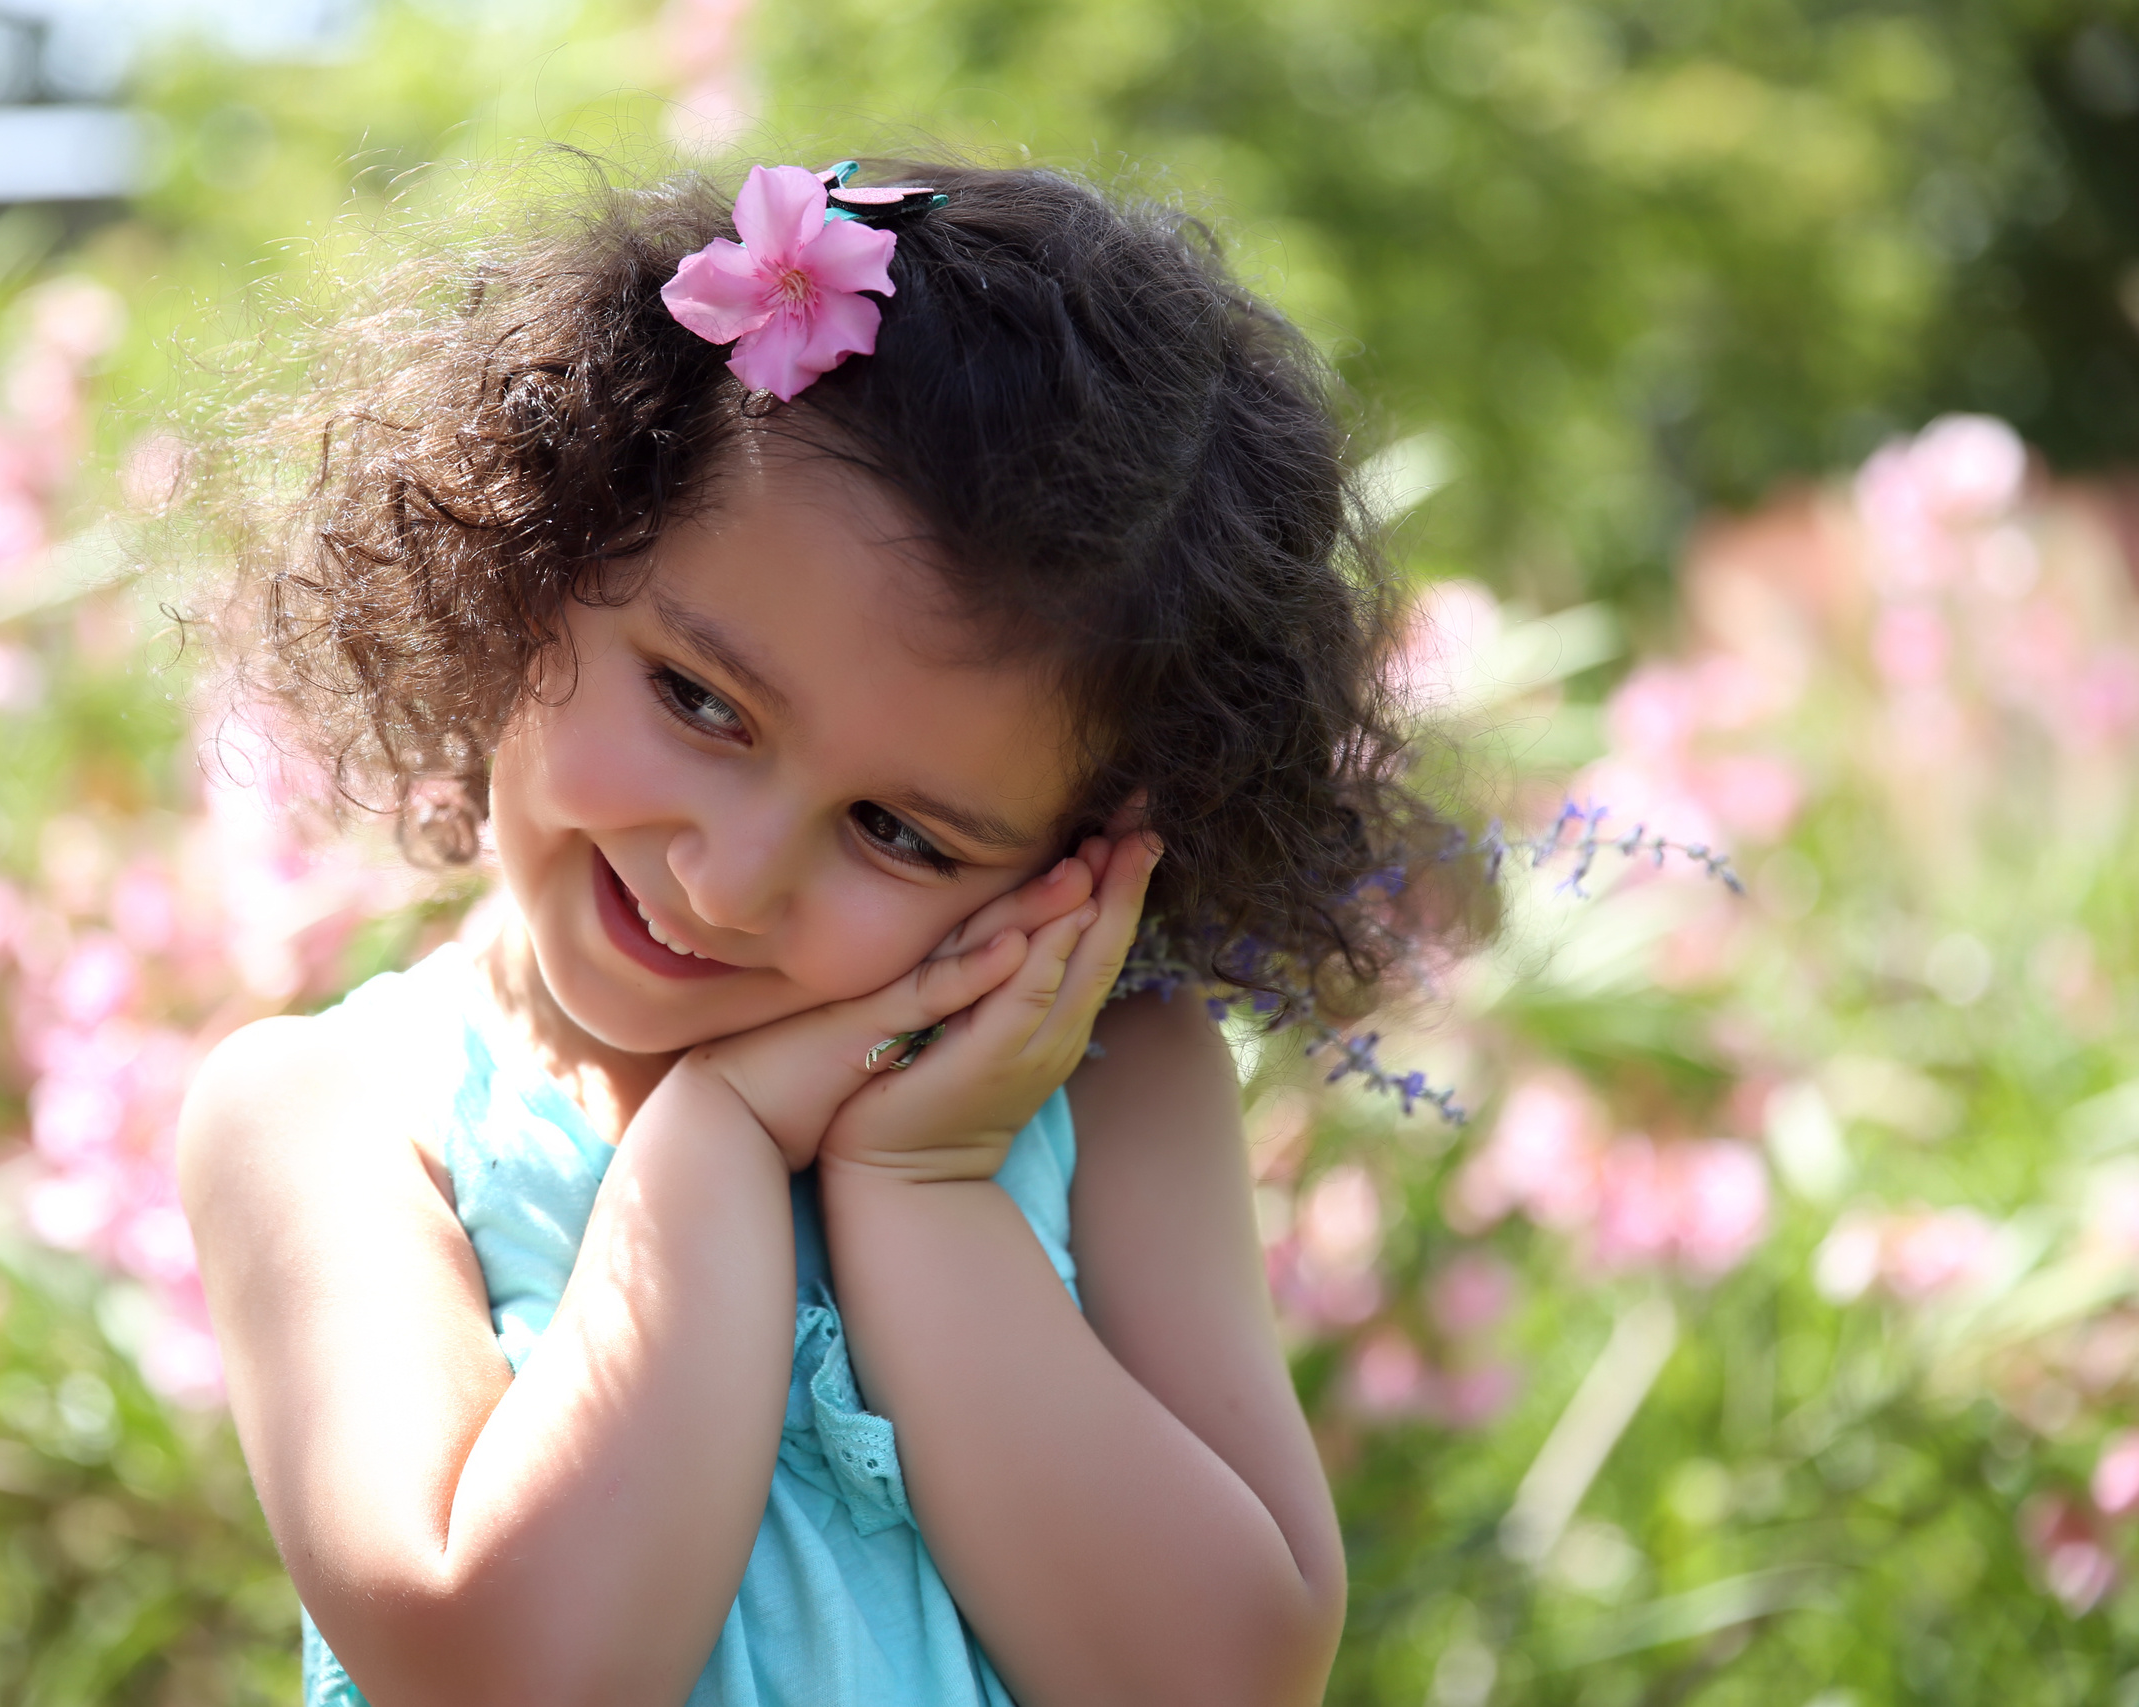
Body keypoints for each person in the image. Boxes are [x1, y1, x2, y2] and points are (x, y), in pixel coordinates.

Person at [178, 155, 1441, 1707]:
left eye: (900, 833)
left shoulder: (1109, 1090)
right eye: (700, 701)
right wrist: (711, 1147)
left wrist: (916, 1183)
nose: (728, 878)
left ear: (1076, 870)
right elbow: (504, 1667)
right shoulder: (335, 1117)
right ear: (544, 548)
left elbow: (1221, 1680)